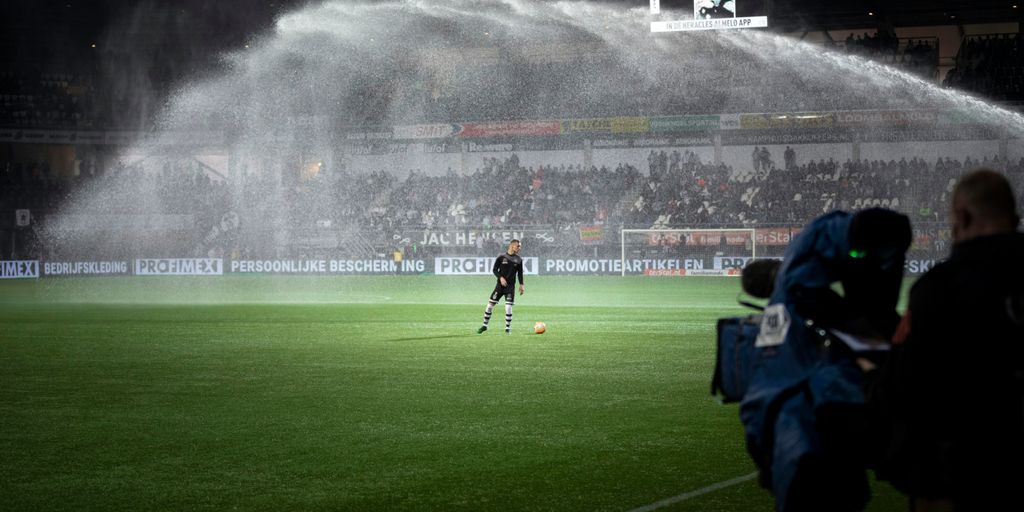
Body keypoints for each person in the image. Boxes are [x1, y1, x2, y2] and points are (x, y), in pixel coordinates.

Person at [866, 169, 1024, 511]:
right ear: (1015, 218)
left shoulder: (938, 289)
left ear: (962, 217)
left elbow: (903, 389)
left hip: (961, 477)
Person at [740, 208, 912, 512]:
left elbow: (759, 400)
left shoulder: (799, 316)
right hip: (812, 457)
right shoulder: (813, 306)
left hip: (804, 458)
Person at [477, 239, 525, 335]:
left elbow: (520, 273)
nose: (520, 248)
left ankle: (507, 328)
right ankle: (485, 325)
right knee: (490, 305)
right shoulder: (501, 257)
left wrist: (521, 284)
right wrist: (501, 278)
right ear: (512, 246)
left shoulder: (519, 259)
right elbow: (494, 270)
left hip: (510, 287)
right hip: (499, 287)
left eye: (520, 246)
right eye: (518, 246)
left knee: (508, 307)